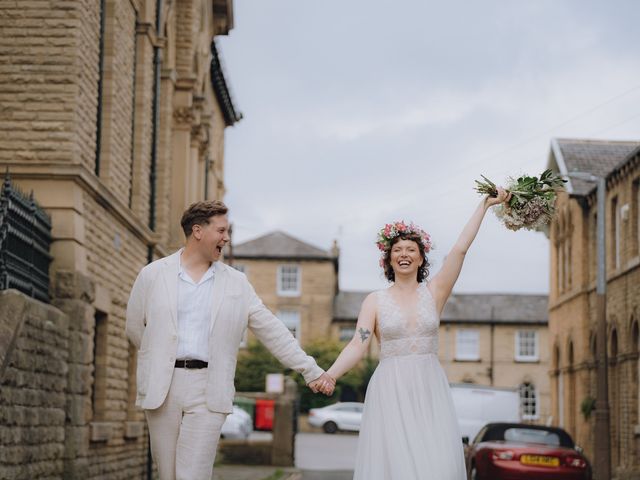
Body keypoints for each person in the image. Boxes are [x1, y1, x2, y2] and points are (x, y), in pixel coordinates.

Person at [125, 200, 334, 480]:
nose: (227, 238)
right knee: (168, 474)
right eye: (221, 230)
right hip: (163, 386)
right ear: (197, 231)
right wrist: (160, 357)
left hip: (210, 387)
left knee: (193, 474)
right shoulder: (152, 275)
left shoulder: (236, 283)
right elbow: (135, 328)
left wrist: (310, 369)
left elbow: (272, 330)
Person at [319, 188, 511, 480]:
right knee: (396, 466)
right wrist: (330, 374)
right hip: (390, 388)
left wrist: (484, 205)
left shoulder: (435, 292)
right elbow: (358, 344)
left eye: (411, 250)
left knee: (434, 465)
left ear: (421, 259)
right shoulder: (374, 301)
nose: (404, 254)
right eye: (397, 250)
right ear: (389, 261)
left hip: (428, 386)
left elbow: (460, 249)